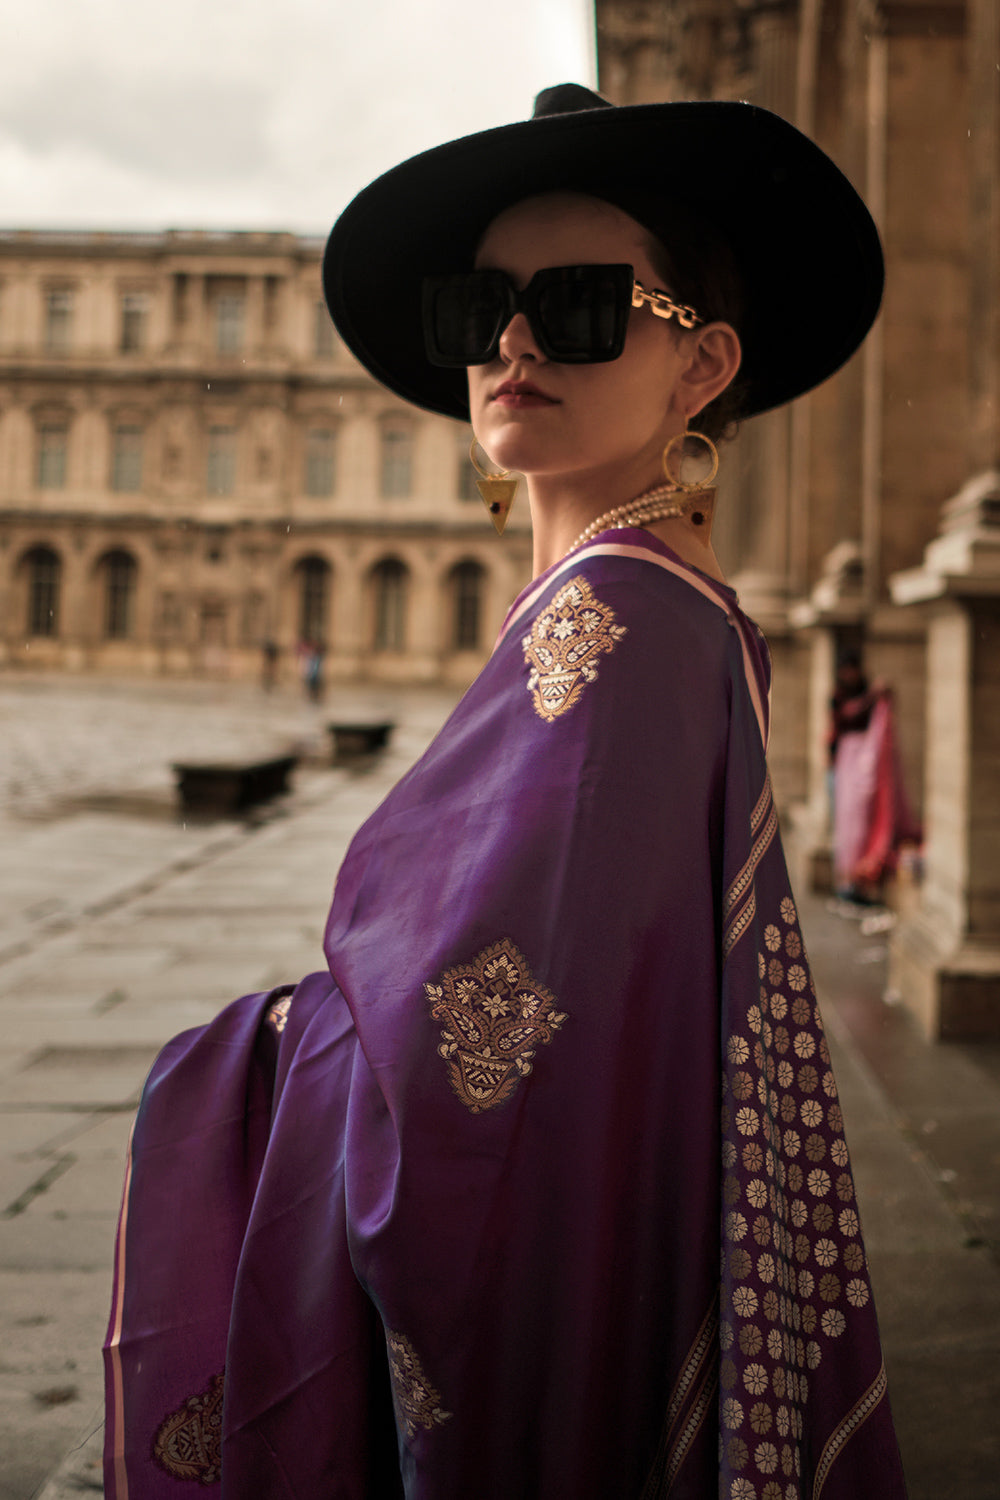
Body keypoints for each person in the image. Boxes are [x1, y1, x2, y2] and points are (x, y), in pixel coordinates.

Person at [103, 85, 907, 1498]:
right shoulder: (641, 607)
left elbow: (479, 1040)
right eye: (482, 310)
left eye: (584, 305)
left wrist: (248, 1057)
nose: (517, 340)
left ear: (701, 366)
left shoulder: (623, 622)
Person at [829, 652, 920, 907]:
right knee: (848, 823)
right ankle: (848, 880)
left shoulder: (863, 693)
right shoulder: (840, 696)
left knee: (863, 820)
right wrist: (873, 697)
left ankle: (860, 879)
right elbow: (846, 716)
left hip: (863, 762)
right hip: (848, 765)